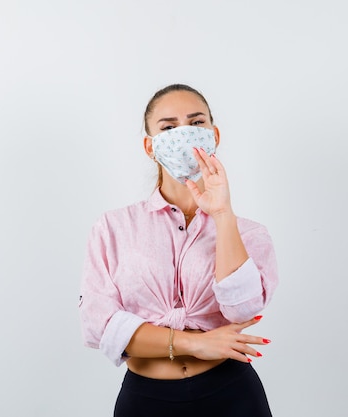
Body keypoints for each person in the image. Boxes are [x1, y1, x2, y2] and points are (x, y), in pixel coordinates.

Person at [79, 83, 279, 416]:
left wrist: (222, 214)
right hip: (146, 400)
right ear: (150, 145)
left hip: (232, 393)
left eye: (196, 123)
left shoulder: (249, 232)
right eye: (169, 127)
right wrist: (194, 342)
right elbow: (99, 325)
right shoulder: (113, 228)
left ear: (214, 134)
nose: (184, 133)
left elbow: (242, 311)